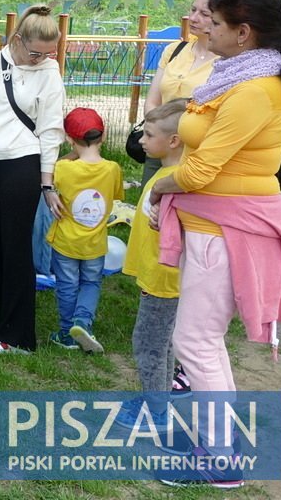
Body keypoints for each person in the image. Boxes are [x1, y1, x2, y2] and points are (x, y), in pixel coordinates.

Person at [149, 0, 281, 486]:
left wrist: (161, 190)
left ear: (243, 33)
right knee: (202, 341)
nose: (203, 26)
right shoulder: (238, 78)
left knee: (195, 341)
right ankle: (220, 447)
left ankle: (219, 458)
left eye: (213, 22)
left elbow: (198, 172)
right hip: (213, 224)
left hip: (225, 227)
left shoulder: (256, 90)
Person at [0, 5, 65, 354]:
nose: (41, 59)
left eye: (48, 53)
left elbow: (51, 129)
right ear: (18, 39)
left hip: (23, 162)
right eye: (35, 52)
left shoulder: (50, 71)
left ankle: (20, 337)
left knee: (16, 248)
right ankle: (0, 323)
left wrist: (47, 182)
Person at [115, 99, 188, 432]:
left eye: (149, 134)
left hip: (164, 281)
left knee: (148, 344)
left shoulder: (178, 182)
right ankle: (157, 400)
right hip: (156, 277)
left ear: (173, 141)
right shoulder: (167, 174)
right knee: (162, 343)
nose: (142, 140)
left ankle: (156, 412)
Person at [45, 107, 124, 353]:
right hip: (95, 244)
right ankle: (83, 321)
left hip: (66, 242)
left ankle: (66, 334)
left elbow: (52, 172)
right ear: (104, 135)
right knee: (91, 283)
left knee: (67, 286)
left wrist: (71, 153)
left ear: (69, 138)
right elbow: (116, 195)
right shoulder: (113, 169)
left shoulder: (63, 169)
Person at [141, 0, 218, 181]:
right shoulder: (174, 50)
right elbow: (152, 100)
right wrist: (157, 133)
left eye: (204, 14)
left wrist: (185, 136)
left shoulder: (225, 61)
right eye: (193, 10)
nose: (193, 18)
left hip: (194, 151)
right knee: (149, 202)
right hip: (161, 146)